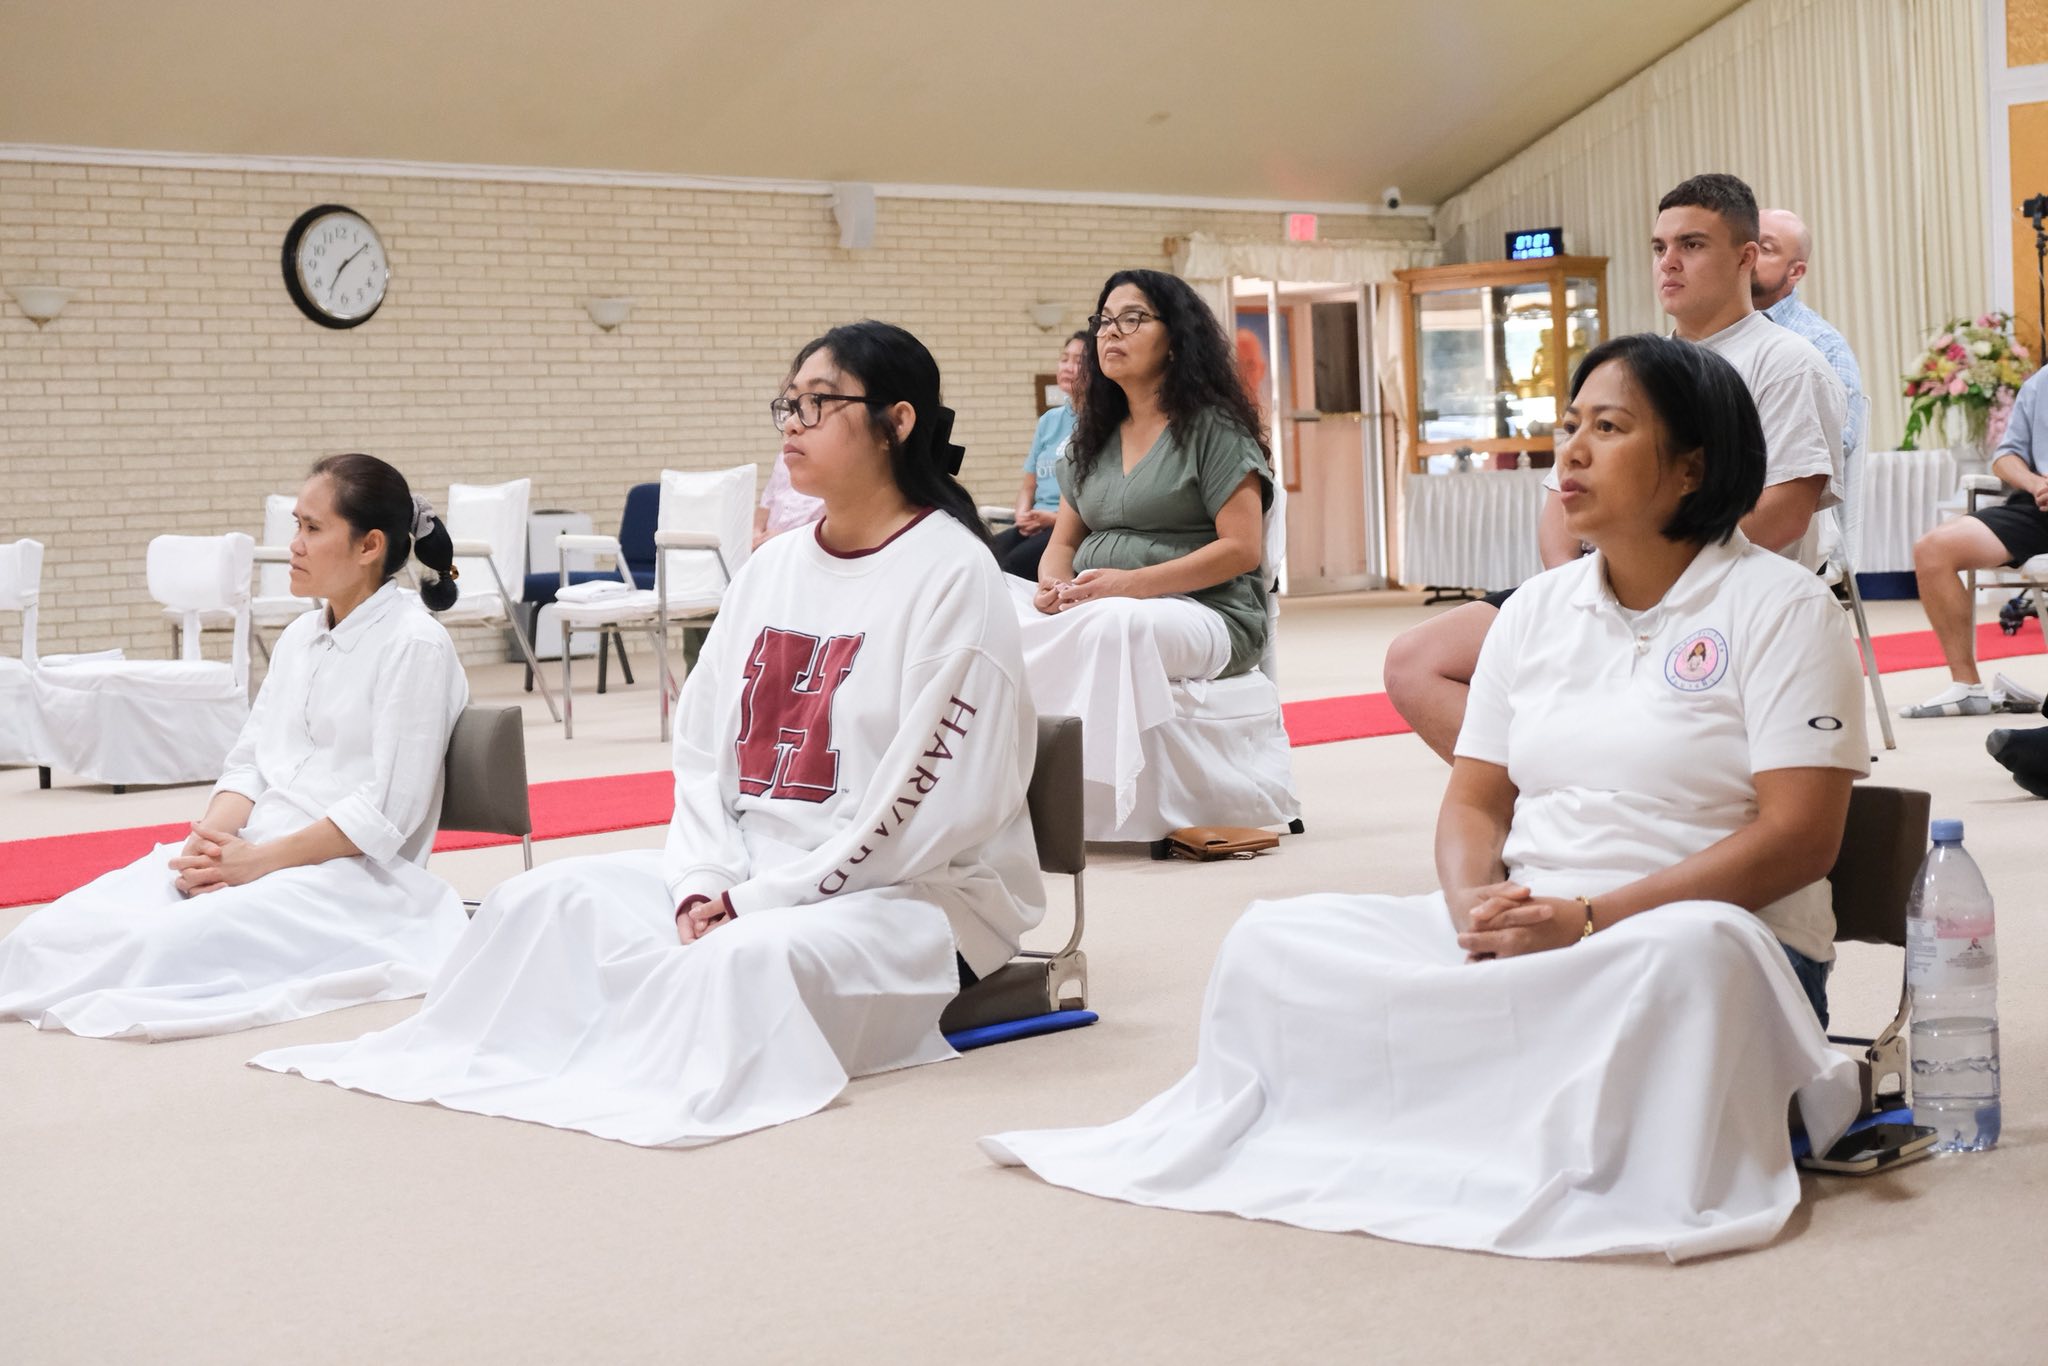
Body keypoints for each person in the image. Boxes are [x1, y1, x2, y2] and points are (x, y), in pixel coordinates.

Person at [984, 335, 1871, 1262]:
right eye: (1570, 425)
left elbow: (1801, 839)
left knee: (1682, 958)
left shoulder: (1780, 607)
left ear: (1694, 466)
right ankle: (1464, 1095)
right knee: (1275, 939)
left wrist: (1589, 916)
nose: (1569, 451)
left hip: (1707, 933)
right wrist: (1470, 909)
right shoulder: (1537, 609)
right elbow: (1476, 800)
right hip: (1532, 920)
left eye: (1608, 429)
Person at [251, 322, 1045, 1147]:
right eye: (788, 403)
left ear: (899, 421)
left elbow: (930, 802)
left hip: (909, 899)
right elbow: (703, 746)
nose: (791, 423)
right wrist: (704, 877)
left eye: (818, 403)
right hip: (745, 872)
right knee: (540, 902)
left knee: (740, 966)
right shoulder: (772, 570)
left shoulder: (953, 575)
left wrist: (758, 902)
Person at [0, 454, 470, 1041]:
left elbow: (387, 817)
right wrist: (209, 843)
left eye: (313, 528)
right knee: (61, 929)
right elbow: (249, 762)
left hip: (351, 878)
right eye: (296, 525)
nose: (294, 544)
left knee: (155, 949)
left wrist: (257, 862)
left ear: (369, 545)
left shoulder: (414, 646)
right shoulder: (301, 637)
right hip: (254, 847)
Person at [1386, 172, 1846, 761]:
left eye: (1692, 245)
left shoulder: (1785, 363)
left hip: (1712, 593)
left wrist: (1650, 573)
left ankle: (1562, 796)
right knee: (1414, 662)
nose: (1669, 263)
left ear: (1746, 257)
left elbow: (1783, 514)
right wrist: (1578, 592)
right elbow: (1563, 499)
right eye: (1660, 248)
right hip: (1597, 585)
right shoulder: (1632, 366)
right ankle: (1541, 799)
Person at [1015, 269, 1277, 831]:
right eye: (1104, 322)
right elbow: (1063, 541)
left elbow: (1242, 549)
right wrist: (1054, 588)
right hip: (1101, 602)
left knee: (1116, 624)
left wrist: (1128, 586)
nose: (1111, 334)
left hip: (1209, 612)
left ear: (1176, 338)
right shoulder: (1092, 434)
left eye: (1132, 319)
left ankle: (1098, 803)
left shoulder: (1214, 428)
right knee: (996, 611)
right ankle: (1017, 793)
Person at [1903, 365, 2048, 715]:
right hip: (2038, 504)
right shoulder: (2039, 384)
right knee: (1933, 550)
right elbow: (2005, 456)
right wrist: (2035, 484)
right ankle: (1967, 688)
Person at [1753, 208, 1867, 466]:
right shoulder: (1713, 333)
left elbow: (1835, 441)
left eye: (1765, 248)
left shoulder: (1822, 344)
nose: (1749, 255)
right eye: (1745, 243)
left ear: (1795, 272)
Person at [990, 331, 1087, 578]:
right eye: (1064, 359)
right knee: (982, 557)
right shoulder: (1049, 421)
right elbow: (1028, 486)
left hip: (1067, 528)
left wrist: (1052, 519)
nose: (1068, 367)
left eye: (1079, 361)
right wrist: (1022, 514)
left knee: (1011, 568)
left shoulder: (1099, 424)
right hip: (1035, 523)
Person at [753, 448, 825, 548]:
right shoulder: (783, 456)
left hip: (804, 548)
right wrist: (756, 531)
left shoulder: (830, 460)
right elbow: (767, 500)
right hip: (768, 545)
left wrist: (784, 537)